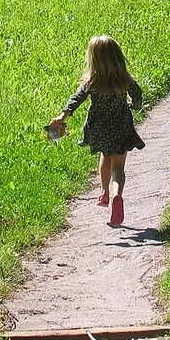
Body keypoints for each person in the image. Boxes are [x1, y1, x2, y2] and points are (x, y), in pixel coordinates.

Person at [51, 35, 145, 226]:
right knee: (118, 167)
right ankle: (117, 195)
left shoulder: (92, 81)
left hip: (99, 127)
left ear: (93, 58)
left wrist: (62, 116)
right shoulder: (125, 79)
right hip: (121, 125)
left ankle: (104, 193)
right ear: (117, 56)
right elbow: (138, 95)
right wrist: (135, 106)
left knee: (105, 156)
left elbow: (76, 99)